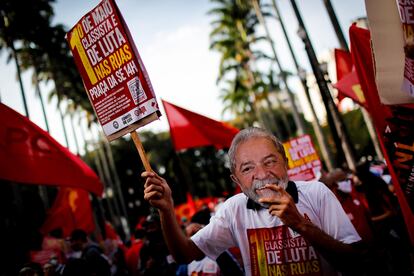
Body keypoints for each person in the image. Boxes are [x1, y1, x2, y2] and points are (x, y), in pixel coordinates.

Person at [142, 127, 364, 276]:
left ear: (286, 163)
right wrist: (167, 210)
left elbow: (357, 263)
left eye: (270, 161)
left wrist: (301, 224)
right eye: (248, 168)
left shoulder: (317, 193)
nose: (262, 174)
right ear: (236, 180)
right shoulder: (233, 210)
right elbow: (184, 254)